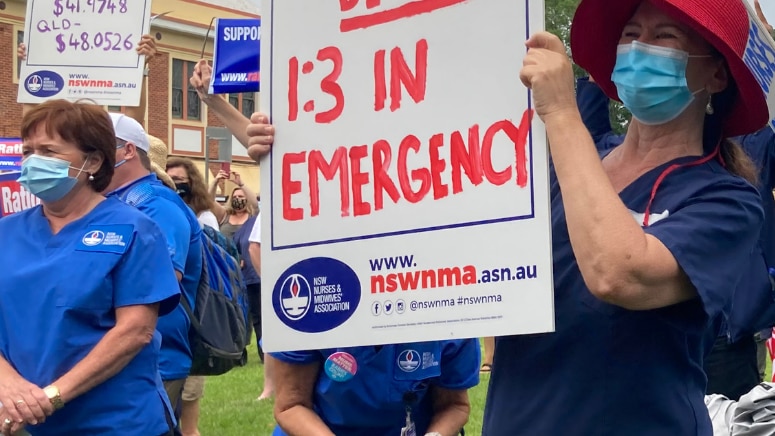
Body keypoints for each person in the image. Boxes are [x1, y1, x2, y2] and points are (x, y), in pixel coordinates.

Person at [481, 0, 767, 434]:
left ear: (716, 74)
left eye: (664, 36)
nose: (638, 49)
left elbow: (618, 274)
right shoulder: (573, 164)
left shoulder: (727, 200)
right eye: (630, 34)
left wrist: (560, 112)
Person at [0, 100, 180, 435]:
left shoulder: (135, 230)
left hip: (117, 421)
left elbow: (134, 331)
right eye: (29, 151)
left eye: (49, 151)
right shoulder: (6, 233)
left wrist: (50, 397)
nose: (34, 161)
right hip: (23, 418)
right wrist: (10, 388)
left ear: (93, 161)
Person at [102, 113, 204, 428]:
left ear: (128, 151)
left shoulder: (159, 207)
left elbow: (160, 284)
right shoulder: (117, 204)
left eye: (96, 148)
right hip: (123, 358)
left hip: (155, 360)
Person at [247, 212, 274, 401]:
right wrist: (269, 281)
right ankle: (269, 388)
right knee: (274, 335)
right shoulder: (274, 203)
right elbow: (254, 247)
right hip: (284, 281)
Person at [166, 157, 220, 230]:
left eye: (177, 179)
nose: (171, 183)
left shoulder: (204, 217)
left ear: (191, 182)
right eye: (167, 179)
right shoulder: (161, 210)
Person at [209, 171, 258, 238]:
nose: (237, 198)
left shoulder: (252, 216)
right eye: (234, 197)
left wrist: (241, 184)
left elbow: (255, 203)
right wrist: (215, 182)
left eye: (240, 196)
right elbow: (209, 200)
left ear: (247, 199)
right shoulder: (224, 215)